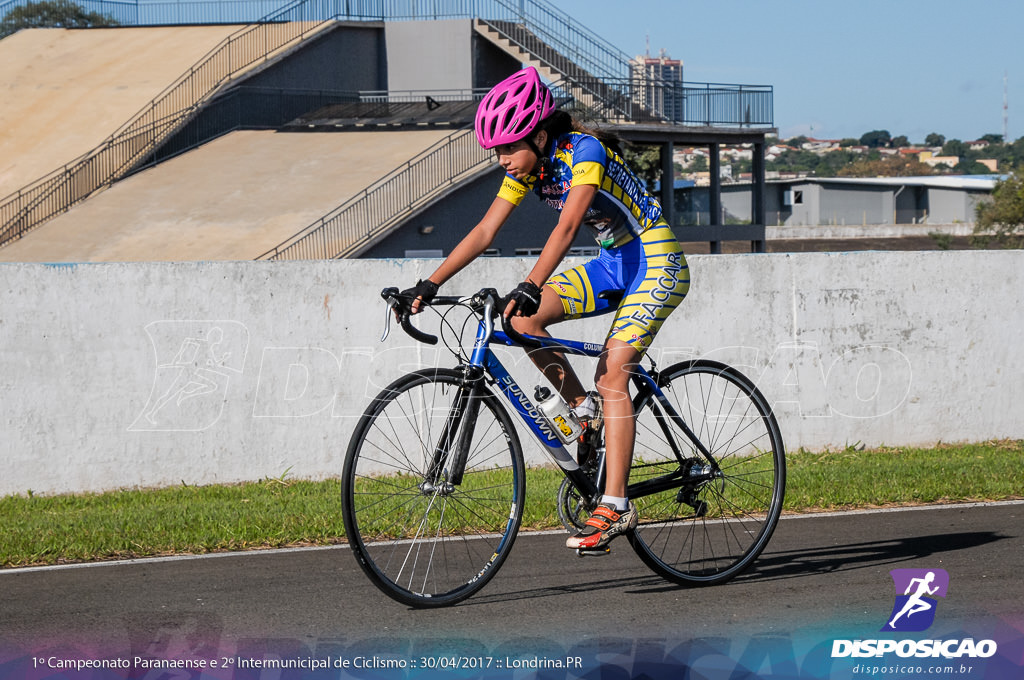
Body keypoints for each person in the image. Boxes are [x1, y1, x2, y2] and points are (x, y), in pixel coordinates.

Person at [400, 66, 690, 551]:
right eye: (495, 151)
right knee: (519, 320)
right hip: (614, 262)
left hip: (657, 259)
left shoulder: (585, 151)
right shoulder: (529, 168)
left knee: (612, 374)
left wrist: (532, 282)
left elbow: (569, 225)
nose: (501, 160)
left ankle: (615, 506)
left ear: (537, 134)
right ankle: (585, 411)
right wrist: (428, 285)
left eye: (508, 147)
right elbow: (484, 232)